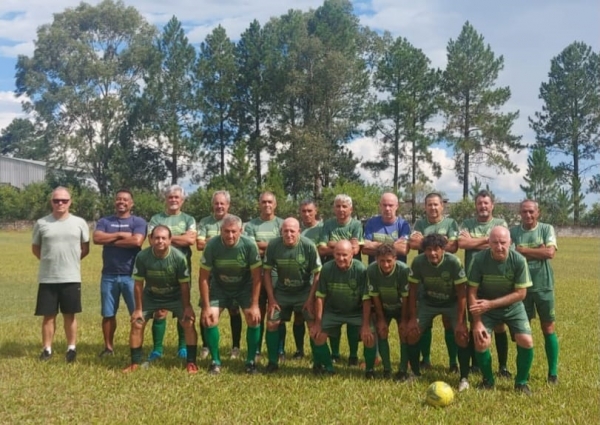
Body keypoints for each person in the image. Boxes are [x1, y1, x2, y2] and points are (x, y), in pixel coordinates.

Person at [122, 225, 198, 374]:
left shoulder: (179, 258)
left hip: (175, 295)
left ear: (170, 240)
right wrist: (137, 309)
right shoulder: (142, 257)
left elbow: (184, 285)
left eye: (164, 238)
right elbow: (138, 284)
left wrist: (187, 306)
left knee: (188, 322)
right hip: (151, 296)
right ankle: (135, 363)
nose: (160, 241)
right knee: (137, 323)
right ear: (150, 239)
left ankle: (191, 363)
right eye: (156, 238)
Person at [468, 226, 534, 395]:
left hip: (512, 307)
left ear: (510, 242)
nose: (499, 247)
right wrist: (476, 323)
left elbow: (521, 293)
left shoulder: (518, 260)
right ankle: (488, 381)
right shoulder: (479, 259)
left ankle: (521, 383)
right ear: (488, 243)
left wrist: (491, 304)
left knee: (526, 340)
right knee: (481, 341)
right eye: (495, 242)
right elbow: (472, 292)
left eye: (503, 242)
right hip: (484, 308)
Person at [405, 234, 471, 391]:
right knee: (412, 332)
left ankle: (464, 378)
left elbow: (462, 293)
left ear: (443, 249)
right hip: (428, 302)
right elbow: (412, 291)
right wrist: (412, 318)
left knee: (461, 336)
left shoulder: (453, 262)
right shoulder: (418, 262)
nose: (432, 253)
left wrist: (461, 323)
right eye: (428, 249)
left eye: (436, 249)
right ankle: (415, 373)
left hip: (452, 303)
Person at [200, 214, 262, 375]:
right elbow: (203, 278)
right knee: (210, 318)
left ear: (241, 231)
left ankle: (250, 362)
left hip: (244, 287)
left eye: (234, 231)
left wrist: (255, 305)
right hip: (219, 286)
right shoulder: (212, 245)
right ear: (221, 230)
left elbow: (257, 277)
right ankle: (215, 361)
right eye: (226, 231)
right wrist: (206, 307)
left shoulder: (249, 245)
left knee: (253, 318)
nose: (230, 235)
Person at [33, 186, 90, 363]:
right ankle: (47, 349)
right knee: (48, 315)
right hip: (48, 277)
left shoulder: (80, 223)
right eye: (56, 200)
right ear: (51, 202)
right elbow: (36, 248)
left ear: (70, 202)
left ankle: (71, 348)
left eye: (64, 200)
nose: (60, 203)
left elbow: (85, 248)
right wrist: (50, 261)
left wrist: (70, 261)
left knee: (70, 315)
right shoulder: (41, 223)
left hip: (71, 277)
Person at [459, 190, 511, 376]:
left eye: (486, 203)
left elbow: (501, 243)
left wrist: (473, 240)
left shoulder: (500, 223)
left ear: (492, 205)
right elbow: (462, 244)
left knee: (498, 324)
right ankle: (476, 364)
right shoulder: (467, 223)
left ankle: (503, 366)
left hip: (494, 280)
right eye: (480, 203)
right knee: (475, 321)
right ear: (476, 205)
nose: (483, 206)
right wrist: (488, 240)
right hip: (472, 281)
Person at [263, 218, 322, 372]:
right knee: (271, 323)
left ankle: (318, 363)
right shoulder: (274, 245)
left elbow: (317, 275)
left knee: (312, 324)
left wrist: (310, 299)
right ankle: (272, 362)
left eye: (292, 231)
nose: (289, 234)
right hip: (282, 292)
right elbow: (267, 272)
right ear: (281, 231)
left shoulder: (308, 246)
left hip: (304, 291)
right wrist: (271, 298)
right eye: (285, 231)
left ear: (299, 232)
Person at [310, 241, 376, 378]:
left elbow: (366, 299)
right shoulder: (327, 269)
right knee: (318, 336)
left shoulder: (360, 270)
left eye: (345, 255)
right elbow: (320, 297)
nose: (341, 258)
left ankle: (370, 370)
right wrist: (318, 323)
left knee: (369, 336)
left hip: (356, 311)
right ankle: (328, 368)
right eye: (338, 255)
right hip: (333, 310)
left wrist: (365, 325)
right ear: (333, 254)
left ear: (352, 255)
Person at [93, 189, 147, 357]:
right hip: (108, 275)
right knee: (108, 314)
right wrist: (120, 235)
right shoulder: (104, 221)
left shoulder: (138, 221)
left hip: (132, 276)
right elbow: (96, 239)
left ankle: (137, 348)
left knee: (137, 313)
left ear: (131, 203)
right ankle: (108, 348)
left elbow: (137, 241)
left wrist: (110, 241)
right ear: (114, 202)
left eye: (125, 199)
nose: (121, 202)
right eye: (118, 199)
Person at [408, 192, 459, 370]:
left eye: (436, 204)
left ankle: (453, 362)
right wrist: (441, 242)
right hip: (425, 277)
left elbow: (453, 246)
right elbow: (412, 244)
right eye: (429, 204)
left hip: (447, 278)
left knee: (448, 322)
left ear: (442, 206)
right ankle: (426, 359)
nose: (433, 207)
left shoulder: (451, 223)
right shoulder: (419, 223)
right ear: (425, 207)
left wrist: (425, 241)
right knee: (425, 322)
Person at [510, 200, 559, 384]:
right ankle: (524, 372)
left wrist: (523, 250)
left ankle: (552, 372)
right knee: (522, 331)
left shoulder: (546, 229)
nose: (527, 215)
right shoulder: (513, 232)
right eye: (524, 212)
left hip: (544, 286)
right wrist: (537, 250)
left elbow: (550, 253)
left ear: (538, 213)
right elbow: (511, 254)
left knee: (548, 328)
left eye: (531, 211)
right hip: (521, 288)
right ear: (519, 213)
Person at [146, 185, 197, 362]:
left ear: (182, 200)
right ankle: (157, 349)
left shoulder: (189, 219)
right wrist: (177, 238)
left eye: (177, 197)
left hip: (182, 270)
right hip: (159, 269)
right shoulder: (156, 218)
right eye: (170, 197)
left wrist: (165, 238)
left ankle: (182, 347)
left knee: (183, 308)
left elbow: (190, 240)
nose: (173, 200)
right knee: (160, 310)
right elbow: (151, 240)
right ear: (165, 199)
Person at [317, 194, 364, 365]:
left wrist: (333, 244)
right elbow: (321, 249)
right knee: (333, 310)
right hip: (331, 272)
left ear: (350, 209)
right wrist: (342, 248)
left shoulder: (357, 224)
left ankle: (353, 355)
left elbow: (356, 249)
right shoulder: (328, 224)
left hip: (351, 272)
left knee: (352, 313)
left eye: (344, 206)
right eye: (338, 206)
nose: (341, 209)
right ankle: (335, 354)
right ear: (333, 208)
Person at [196, 190, 243, 361]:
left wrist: (213, 239)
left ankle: (236, 346)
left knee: (234, 309)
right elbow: (199, 244)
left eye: (222, 203)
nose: (219, 206)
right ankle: (206, 346)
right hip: (210, 272)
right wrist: (220, 239)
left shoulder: (235, 221)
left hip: (232, 272)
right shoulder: (204, 222)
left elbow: (237, 241)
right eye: (216, 203)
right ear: (212, 204)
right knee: (205, 310)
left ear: (228, 205)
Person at [243, 191, 284, 361]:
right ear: (259, 204)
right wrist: (273, 245)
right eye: (263, 202)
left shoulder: (282, 224)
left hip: (278, 273)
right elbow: (251, 248)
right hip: (256, 272)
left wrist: (263, 246)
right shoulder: (251, 225)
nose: (267, 205)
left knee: (276, 311)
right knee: (257, 310)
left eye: (270, 202)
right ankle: (257, 349)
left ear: (275, 204)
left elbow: (285, 244)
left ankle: (279, 350)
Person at [368, 243, 410, 380]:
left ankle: (403, 369)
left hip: (401, 308)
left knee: (404, 333)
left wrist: (403, 321)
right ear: (376, 260)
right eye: (382, 261)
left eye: (389, 261)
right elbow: (375, 296)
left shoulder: (403, 270)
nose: (385, 265)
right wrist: (380, 319)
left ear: (395, 259)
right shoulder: (372, 270)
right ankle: (387, 369)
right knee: (381, 331)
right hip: (383, 307)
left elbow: (406, 297)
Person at [290, 198, 323, 359]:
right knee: (299, 315)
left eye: (310, 211)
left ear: (316, 211)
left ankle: (323, 352)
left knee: (317, 315)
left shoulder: (323, 229)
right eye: (303, 211)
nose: (307, 214)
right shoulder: (297, 231)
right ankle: (299, 350)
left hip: (320, 277)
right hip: (302, 279)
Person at [362, 192, 410, 264]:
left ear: (397, 206)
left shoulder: (403, 225)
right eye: (384, 205)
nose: (387, 208)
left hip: (397, 270)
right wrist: (393, 246)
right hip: (375, 269)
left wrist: (375, 246)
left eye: (390, 205)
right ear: (380, 206)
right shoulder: (371, 223)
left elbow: (403, 249)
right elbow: (365, 249)